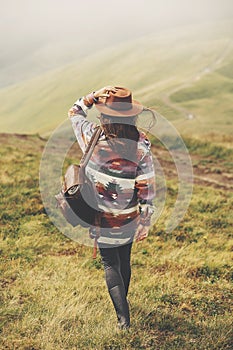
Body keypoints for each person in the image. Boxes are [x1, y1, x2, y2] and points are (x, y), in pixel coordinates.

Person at [68, 86, 155, 329]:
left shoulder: (92, 135)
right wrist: (145, 221)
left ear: (105, 116)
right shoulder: (141, 145)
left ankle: (123, 319)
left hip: (100, 216)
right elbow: (146, 184)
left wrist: (93, 96)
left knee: (110, 263)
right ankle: (123, 306)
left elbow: (74, 112)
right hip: (128, 217)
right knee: (123, 260)